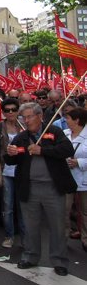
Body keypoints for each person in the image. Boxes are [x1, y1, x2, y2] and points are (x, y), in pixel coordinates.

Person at [5, 102, 76, 276]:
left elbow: (66, 149)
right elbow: (10, 161)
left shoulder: (54, 131)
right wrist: (10, 153)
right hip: (29, 188)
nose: (27, 120)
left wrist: (42, 150)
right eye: (24, 117)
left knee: (57, 226)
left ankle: (59, 261)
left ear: (39, 116)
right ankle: (30, 256)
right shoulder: (21, 137)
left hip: (53, 187)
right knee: (30, 226)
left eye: (30, 116)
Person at [0, 97, 25, 248]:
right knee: (7, 206)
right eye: (7, 110)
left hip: (22, 171)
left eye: (13, 110)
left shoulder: (24, 125)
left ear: (18, 111)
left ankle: (25, 237)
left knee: (23, 206)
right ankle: (9, 236)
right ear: (3, 112)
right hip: (5, 171)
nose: (10, 113)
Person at [64, 107, 87, 252]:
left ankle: (85, 239)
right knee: (64, 210)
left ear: (77, 120)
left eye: (68, 118)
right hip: (66, 179)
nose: (66, 121)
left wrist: (79, 162)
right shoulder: (65, 134)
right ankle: (63, 238)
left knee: (85, 211)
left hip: (84, 178)